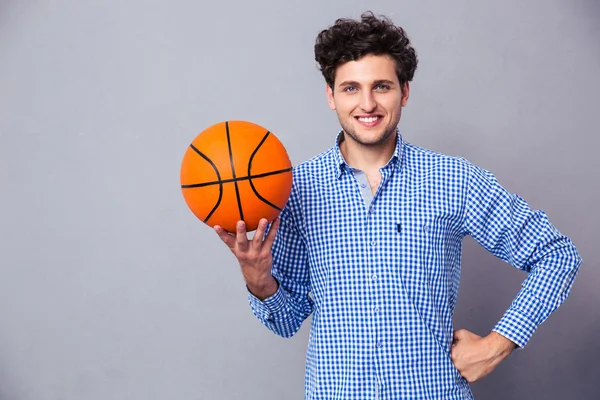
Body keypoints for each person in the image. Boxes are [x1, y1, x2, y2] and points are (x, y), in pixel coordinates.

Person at [214, 11, 583, 400]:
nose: (367, 103)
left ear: (404, 92)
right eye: (351, 88)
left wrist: (498, 343)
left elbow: (557, 254)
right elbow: (286, 322)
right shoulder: (293, 190)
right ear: (331, 95)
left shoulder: (453, 180)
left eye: (382, 87)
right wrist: (258, 280)